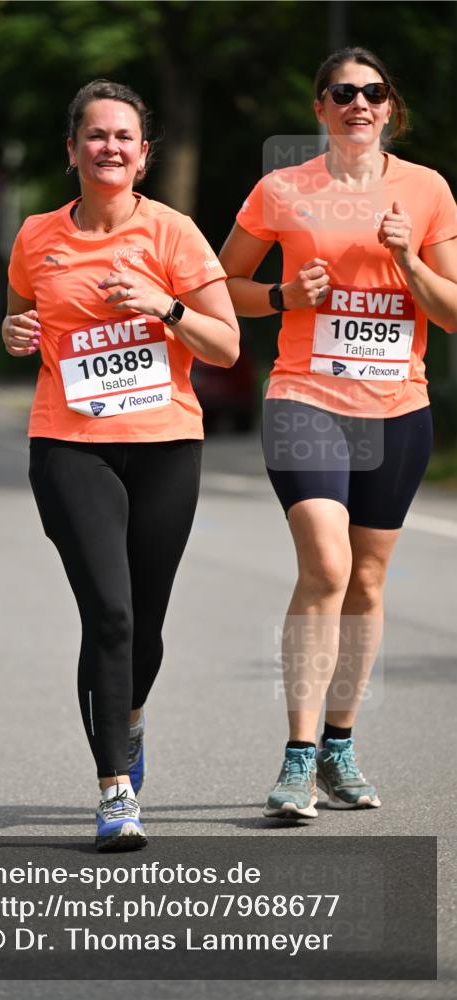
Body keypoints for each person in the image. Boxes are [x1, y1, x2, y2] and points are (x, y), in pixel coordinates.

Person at [220, 47, 457, 819]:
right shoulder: (281, 189)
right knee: (325, 564)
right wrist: (285, 293)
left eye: (373, 91)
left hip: (396, 408)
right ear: (318, 108)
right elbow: (223, 288)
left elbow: (451, 310)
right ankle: (296, 758)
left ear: (390, 108)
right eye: (341, 92)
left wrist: (405, 261)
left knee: (365, 580)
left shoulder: (425, 191)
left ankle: (339, 745)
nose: (358, 102)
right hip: (303, 397)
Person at [2, 80, 239, 849]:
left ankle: (128, 718)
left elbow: (227, 346)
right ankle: (113, 793)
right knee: (108, 613)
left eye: (124, 138)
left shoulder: (173, 235)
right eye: (95, 135)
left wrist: (161, 305)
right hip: (69, 443)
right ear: (71, 151)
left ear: (143, 157)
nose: (109, 147)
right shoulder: (37, 235)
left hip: (166, 444)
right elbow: (22, 314)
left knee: (146, 624)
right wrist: (16, 333)